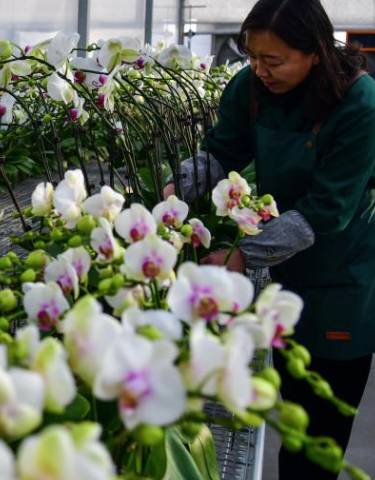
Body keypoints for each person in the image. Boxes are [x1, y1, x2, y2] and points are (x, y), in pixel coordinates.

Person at [163, 0, 375, 478]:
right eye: (251, 56)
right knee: (290, 402)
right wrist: (177, 189)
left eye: (273, 60)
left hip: (342, 280)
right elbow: (224, 150)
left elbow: (326, 211)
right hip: (286, 270)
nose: (259, 70)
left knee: (318, 434)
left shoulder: (360, 105)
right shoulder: (251, 86)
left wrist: (241, 255)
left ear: (316, 52)